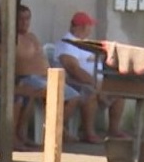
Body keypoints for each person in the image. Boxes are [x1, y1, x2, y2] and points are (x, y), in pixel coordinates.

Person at [55, 11, 128, 143]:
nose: (91, 29)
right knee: (91, 94)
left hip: (95, 82)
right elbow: (73, 69)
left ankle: (113, 129)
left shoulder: (84, 43)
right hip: (75, 82)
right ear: (83, 27)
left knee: (119, 93)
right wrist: (94, 84)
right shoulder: (67, 44)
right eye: (90, 26)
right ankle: (89, 132)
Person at [15, 4, 81, 144]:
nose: (25, 22)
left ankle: (58, 129)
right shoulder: (13, 39)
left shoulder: (32, 36)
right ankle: (54, 132)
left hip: (46, 77)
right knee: (53, 94)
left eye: (27, 19)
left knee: (74, 96)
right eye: (21, 19)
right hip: (29, 78)